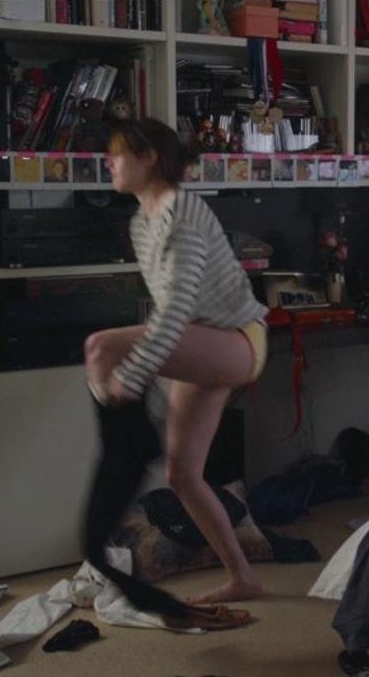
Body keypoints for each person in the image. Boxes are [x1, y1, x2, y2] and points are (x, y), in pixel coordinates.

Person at [86, 117, 270, 604]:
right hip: (203, 341)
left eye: (117, 153)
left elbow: (176, 309)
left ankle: (124, 448)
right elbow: (172, 313)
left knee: (102, 348)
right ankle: (243, 578)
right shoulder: (141, 222)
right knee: (182, 475)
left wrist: (133, 377)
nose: (109, 162)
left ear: (148, 158)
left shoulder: (181, 210)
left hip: (238, 340)